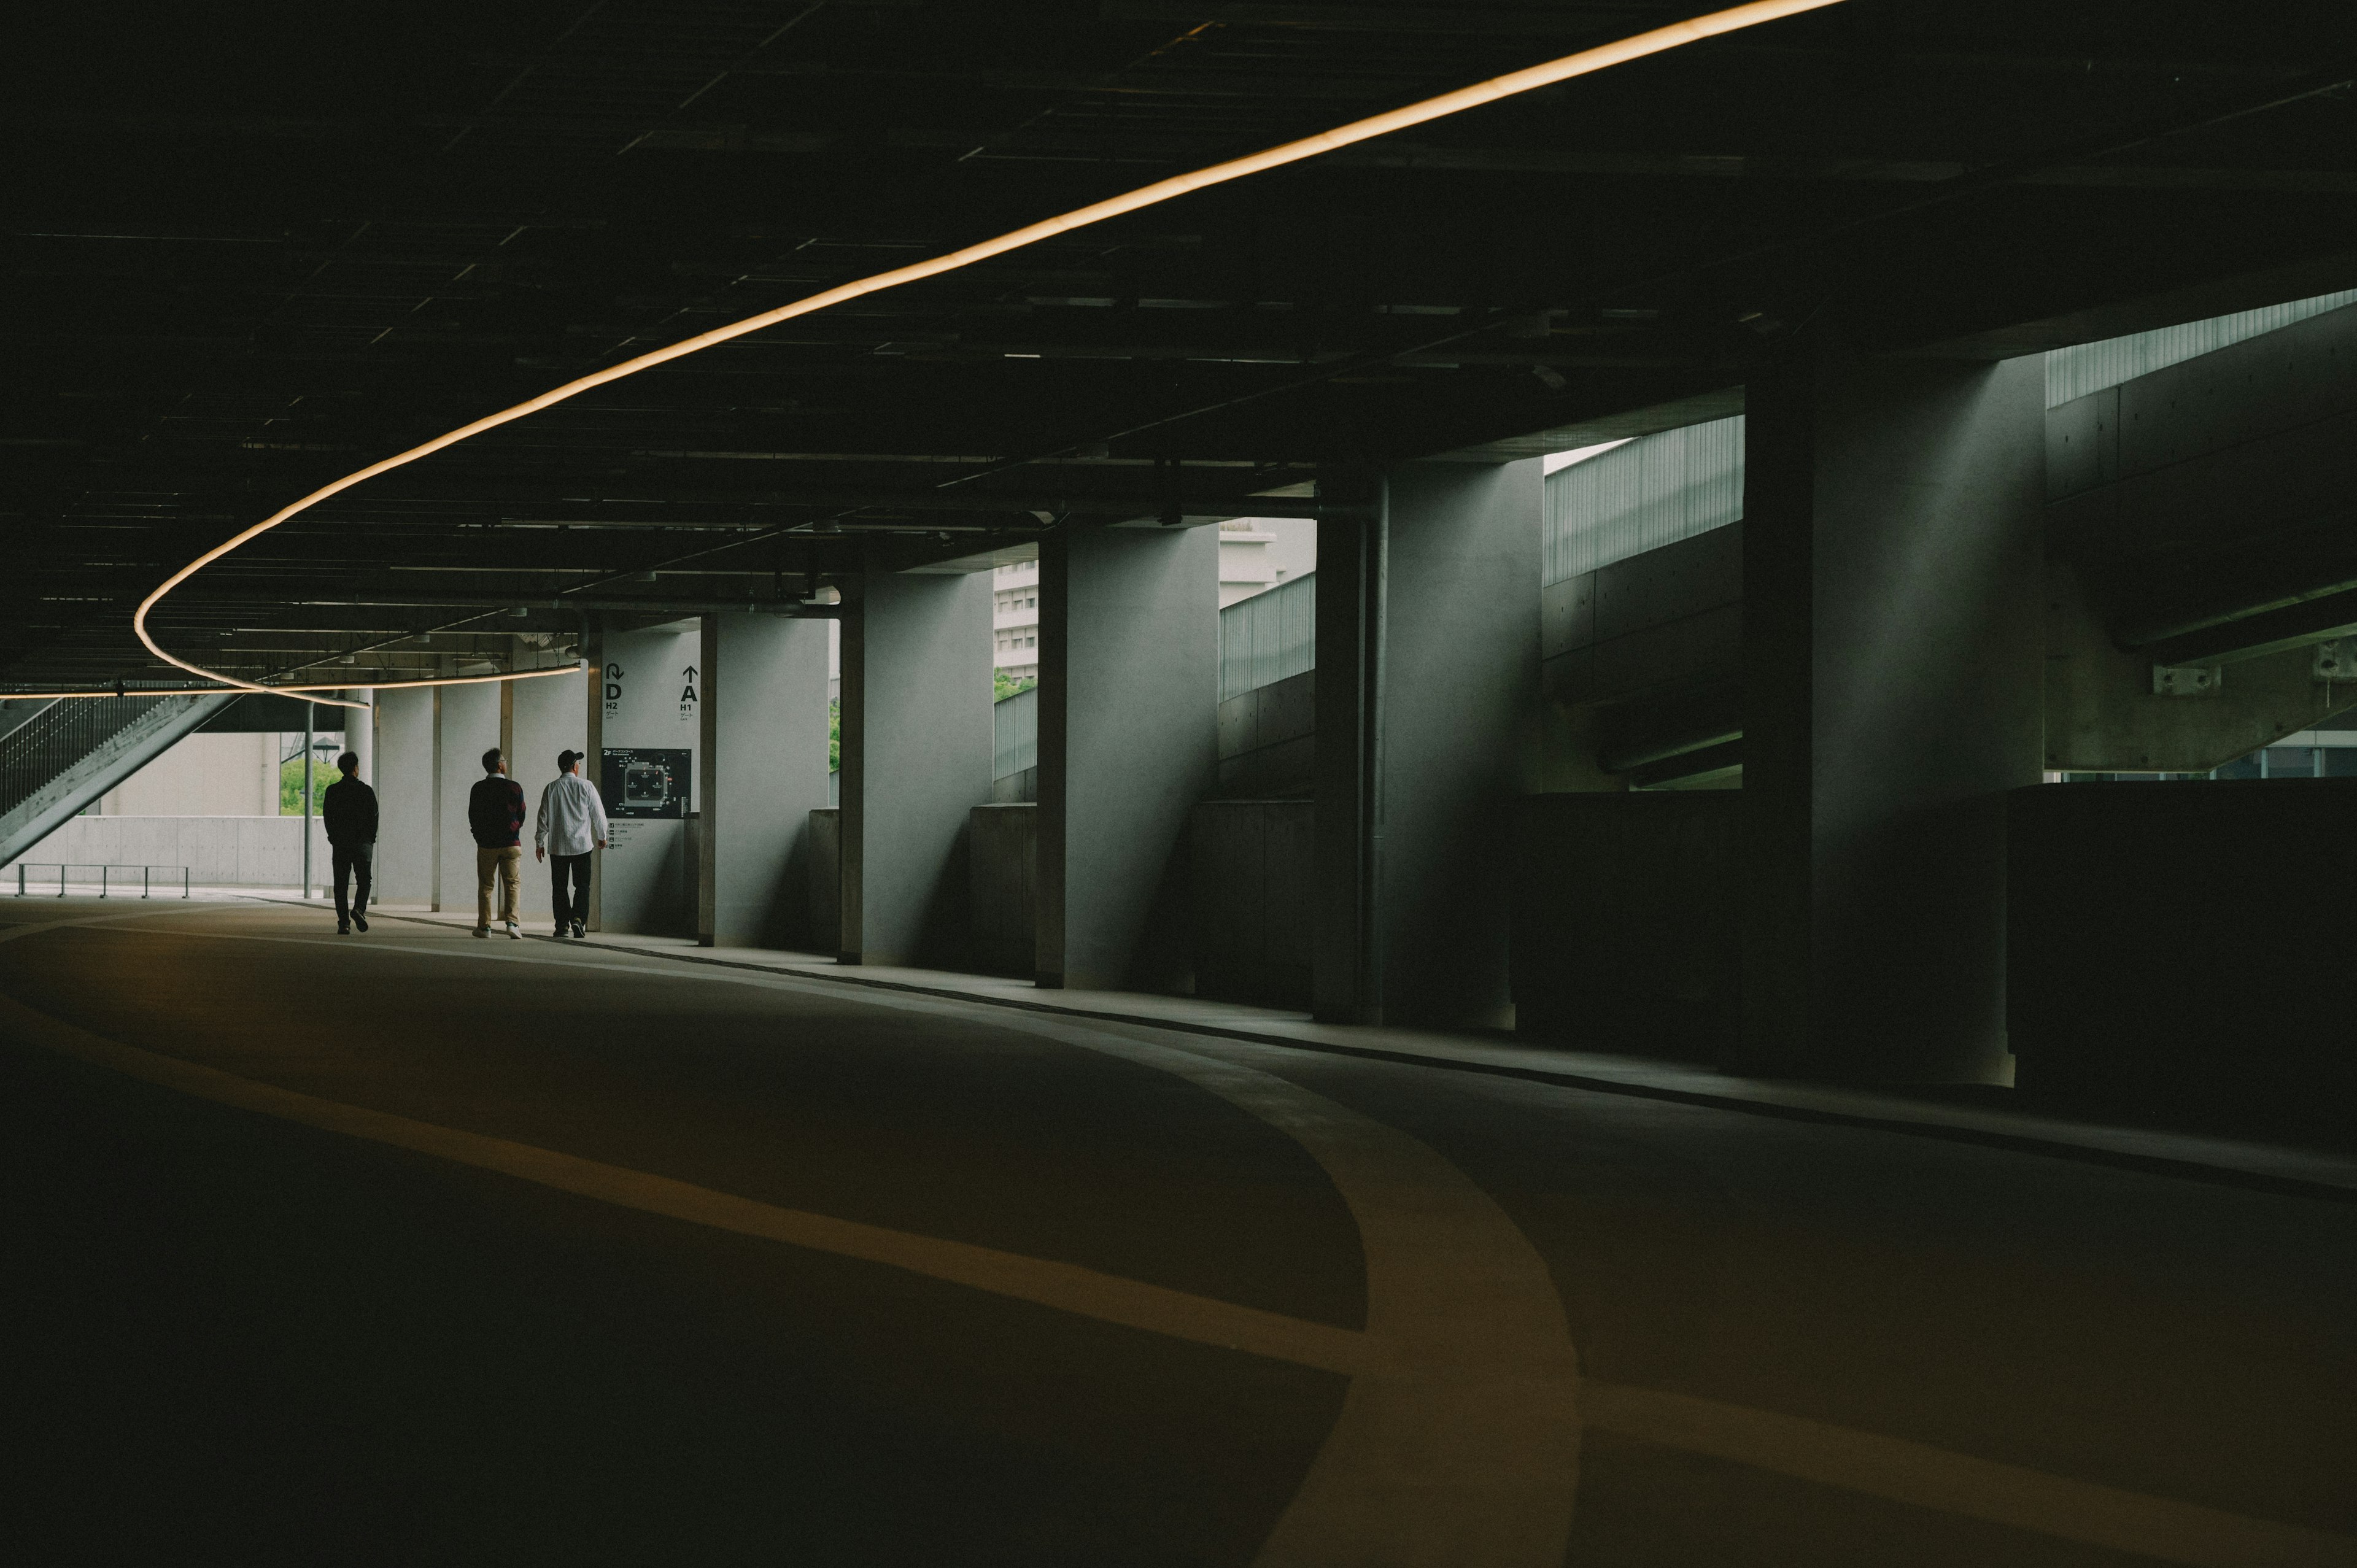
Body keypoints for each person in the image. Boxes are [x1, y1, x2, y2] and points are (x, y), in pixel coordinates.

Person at [535, 748, 609, 939]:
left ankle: (561, 926)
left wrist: (539, 842)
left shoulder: (551, 788)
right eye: (579, 764)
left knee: (559, 887)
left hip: (558, 846)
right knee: (582, 885)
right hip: (582, 846)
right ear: (575, 767)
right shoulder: (587, 786)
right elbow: (598, 814)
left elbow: (543, 817)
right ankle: (578, 919)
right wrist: (602, 836)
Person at [467, 746, 527, 940]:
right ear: (500, 765)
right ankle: (512, 924)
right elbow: (522, 813)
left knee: (486, 885)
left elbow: (473, 816)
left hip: (486, 844)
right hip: (511, 843)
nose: (506, 763)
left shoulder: (478, 788)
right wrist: (515, 829)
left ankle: (485, 928)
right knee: (512, 884)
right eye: (505, 761)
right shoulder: (514, 787)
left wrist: (478, 836)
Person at [319, 750, 377, 935]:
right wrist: (370, 839)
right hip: (362, 844)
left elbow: (328, 817)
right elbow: (374, 817)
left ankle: (344, 923)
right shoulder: (366, 791)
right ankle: (359, 910)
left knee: (341, 885)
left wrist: (333, 837)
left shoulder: (332, 791)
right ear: (355, 769)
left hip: (341, 845)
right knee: (365, 881)